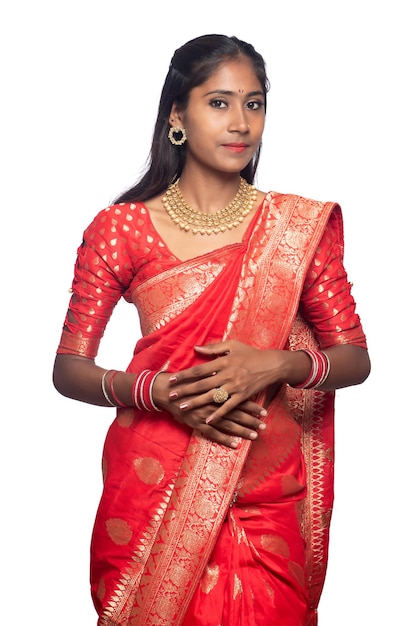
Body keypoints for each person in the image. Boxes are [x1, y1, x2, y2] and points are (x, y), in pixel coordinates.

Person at [53, 33, 371, 626]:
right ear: (178, 113)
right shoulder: (122, 229)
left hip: (264, 494)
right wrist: (163, 394)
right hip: (154, 481)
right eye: (219, 103)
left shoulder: (295, 227)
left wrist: (276, 364)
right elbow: (69, 368)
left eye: (255, 104)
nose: (241, 123)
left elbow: (353, 356)